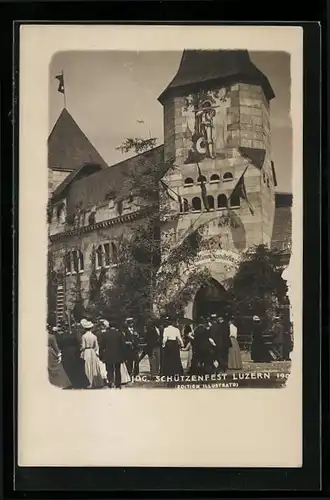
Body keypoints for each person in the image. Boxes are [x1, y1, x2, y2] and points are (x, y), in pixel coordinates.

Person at [55, 324, 88, 388]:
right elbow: (78, 343)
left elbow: (59, 345)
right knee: (76, 368)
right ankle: (78, 382)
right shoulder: (73, 334)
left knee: (67, 368)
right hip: (74, 352)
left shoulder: (60, 337)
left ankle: (69, 383)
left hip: (66, 353)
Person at [99, 319, 127, 388]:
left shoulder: (104, 334)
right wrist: (124, 356)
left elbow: (101, 346)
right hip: (118, 355)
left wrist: (101, 355)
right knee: (117, 370)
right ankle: (118, 383)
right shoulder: (119, 334)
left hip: (108, 355)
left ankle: (111, 382)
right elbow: (123, 346)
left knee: (109, 370)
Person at [80, 319, 104, 388]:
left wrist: (81, 349)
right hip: (92, 351)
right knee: (94, 366)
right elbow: (96, 347)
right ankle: (96, 382)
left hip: (87, 351)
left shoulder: (84, 336)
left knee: (87, 366)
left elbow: (83, 346)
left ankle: (89, 382)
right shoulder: (94, 336)